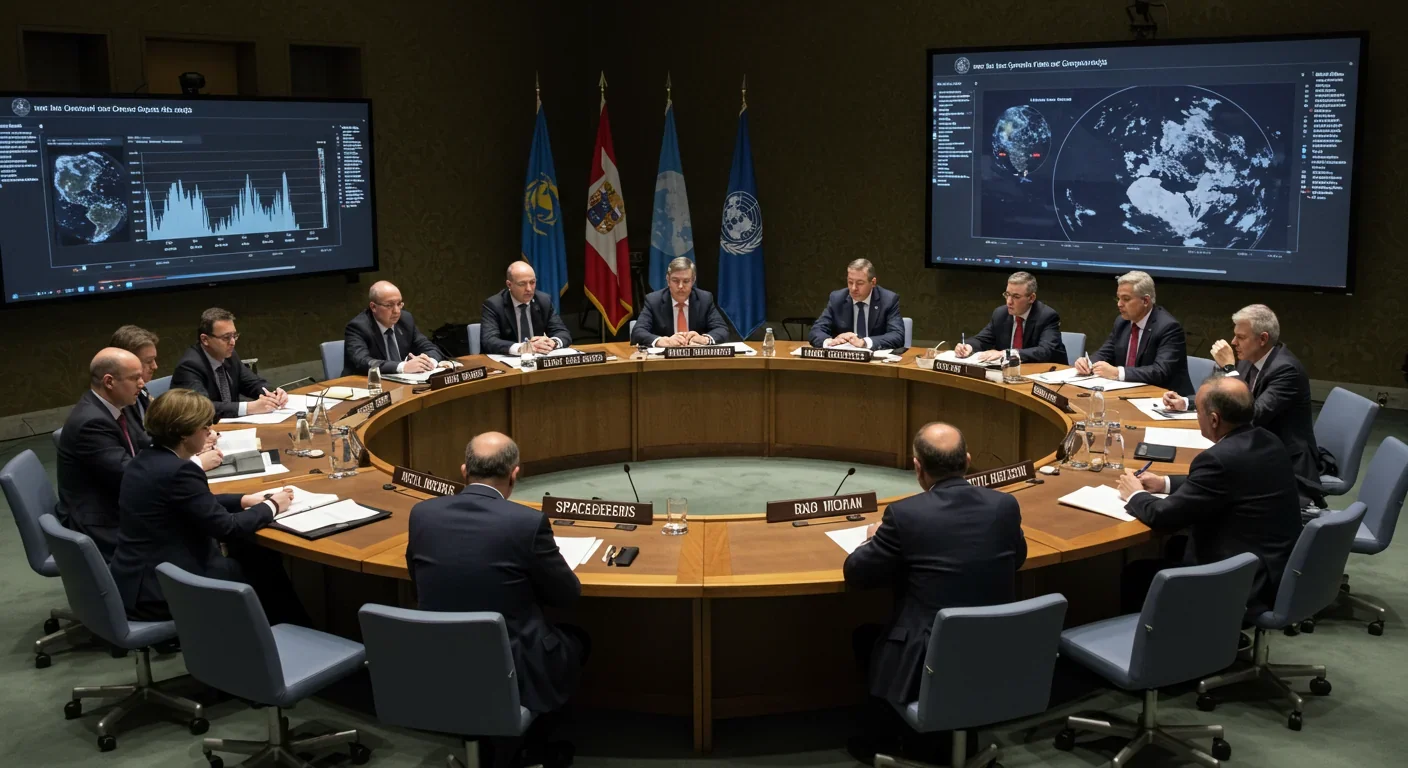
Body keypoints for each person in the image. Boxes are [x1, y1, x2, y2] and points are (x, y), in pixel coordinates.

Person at [843, 422, 1027, 763]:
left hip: (928, 660)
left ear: (917, 468)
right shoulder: (1004, 506)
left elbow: (856, 574)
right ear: (968, 460)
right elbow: (1018, 558)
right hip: (996, 651)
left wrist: (873, 539)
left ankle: (881, 740)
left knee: (868, 637)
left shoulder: (904, 515)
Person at [405, 432, 585, 767]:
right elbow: (567, 595)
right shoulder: (527, 523)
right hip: (512, 663)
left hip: (437, 658)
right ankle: (531, 745)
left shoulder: (422, 514)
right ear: (515, 475)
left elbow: (417, 584)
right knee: (576, 641)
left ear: (463, 471)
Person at [108, 389, 306, 625]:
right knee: (263, 566)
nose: (211, 433)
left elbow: (185, 503)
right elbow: (227, 528)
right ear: (184, 434)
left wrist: (243, 500)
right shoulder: (181, 470)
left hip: (138, 579)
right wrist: (273, 505)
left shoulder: (144, 459)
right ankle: (292, 637)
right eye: (206, 428)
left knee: (255, 556)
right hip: (166, 590)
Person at [1117, 377, 1303, 619]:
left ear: (1214, 420)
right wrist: (1164, 483)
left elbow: (1163, 517)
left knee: (1137, 574)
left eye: (1199, 412)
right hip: (1272, 567)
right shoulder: (1268, 440)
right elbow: (1227, 482)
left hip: (1242, 584)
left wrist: (1135, 494)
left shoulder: (1218, 460)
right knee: (1175, 546)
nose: (1197, 417)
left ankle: (1153, 650)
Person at [1160, 304, 1323, 504]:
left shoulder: (1286, 370)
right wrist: (1185, 402)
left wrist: (1229, 368)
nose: (1233, 342)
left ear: (1263, 339)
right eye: (1235, 335)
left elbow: (1251, 415)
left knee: (1213, 482)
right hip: (1252, 447)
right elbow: (1221, 394)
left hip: (1283, 462)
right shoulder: (1248, 359)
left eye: (1241, 337)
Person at [56, 349, 153, 559]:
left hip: (114, 502)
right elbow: (130, 475)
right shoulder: (91, 423)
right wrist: (193, 462)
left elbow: (142, 443)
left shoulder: (116, 406)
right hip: (100, 522)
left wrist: (183, 444)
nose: (142, 383)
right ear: (109, 382)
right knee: (182, 531)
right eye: (135, 378)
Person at [1075, 270, 1193, 394]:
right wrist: (1087, 363)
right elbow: (1106, 352)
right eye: (1118, 298)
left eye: (1126, 299)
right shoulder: (1122, 322)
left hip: (1167, 400)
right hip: (1129, 394)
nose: (1119, 304)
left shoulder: (1168, 327)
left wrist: (1117, 373)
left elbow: (1160, 371)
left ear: (1146, 301)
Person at [171, 308, 288, 419]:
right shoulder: (189, 366)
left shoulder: (229, 355)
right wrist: (249, 407)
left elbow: (251, 383)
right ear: (205, 339)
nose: (232, 342)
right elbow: (201, 408)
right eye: (226, 337)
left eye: (234, 336)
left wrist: (273, 393)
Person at [953, 271, 1067, 364]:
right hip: (1010, 374)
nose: (1009, 302)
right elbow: (982, 339)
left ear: (1031, 298)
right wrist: (968, 346)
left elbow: (1044, 351)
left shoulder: (1047, 316)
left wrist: (1005, 353)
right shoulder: (1001, 314)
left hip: (1045, 376)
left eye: (1016, 297)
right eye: (1007, 295)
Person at [344, 280, 448, 375]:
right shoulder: (358, 327)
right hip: (364, 385)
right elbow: (363, 362)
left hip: (403, 383)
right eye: (389, 305)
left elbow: (430, 347)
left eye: (399, 304)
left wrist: (428, 362)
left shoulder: (405, 320)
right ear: (373, 307)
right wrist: (403, 367)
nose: (397, 311)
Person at [630, 257, 729, 347]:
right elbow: (638, 332)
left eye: (686, 281)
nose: (681, 286)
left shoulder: (704, 299)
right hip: (664, 361)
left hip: (697, 358)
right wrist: (662, 341)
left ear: (693, 281)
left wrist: (704, 339)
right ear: (668, 280)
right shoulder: (654, 301)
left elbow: (722, 329)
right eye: (675, 281)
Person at [480, 261, 573, 355]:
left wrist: (553, 342)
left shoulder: (543, 301)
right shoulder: (494, 305)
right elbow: (489, 340)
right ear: (509, 285)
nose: (529, 289)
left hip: (538, 359)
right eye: (522, 284)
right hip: (507, 362)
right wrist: (522, 348)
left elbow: (562, 332)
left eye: (532, 282)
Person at [810, 258, 905, 350]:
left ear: (873, 282)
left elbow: (897, 335)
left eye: (860, 283)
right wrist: (830, 341)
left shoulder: (888, 300)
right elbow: (816, 330)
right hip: (845, 359)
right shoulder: (837, 299)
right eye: (850, 282)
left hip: (876, 360)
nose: (853, 288)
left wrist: (864, 342)